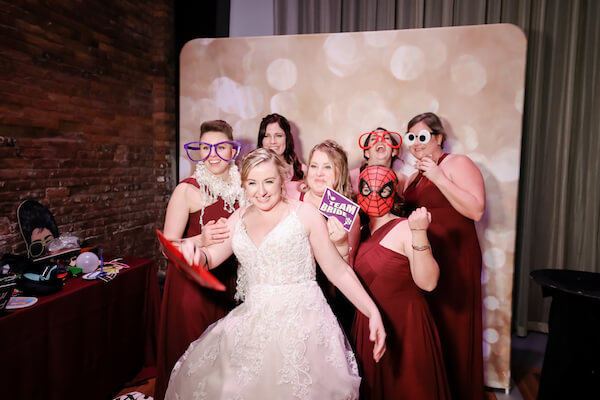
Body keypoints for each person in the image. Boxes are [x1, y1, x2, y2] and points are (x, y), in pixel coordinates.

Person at [165, 148, 386, 400]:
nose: (261, 191)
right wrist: (196, 254)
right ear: (244, 185)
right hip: (254, 318)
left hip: (303, 325)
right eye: (252, 183)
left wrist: (372, 312)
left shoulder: (305, 215)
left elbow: (338, 270)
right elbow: (211, 258)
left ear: (282, 180)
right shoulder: (238, 217)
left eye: (269, 181)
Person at [154, 120, 246, 400]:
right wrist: (201, 240)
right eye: (206, 147)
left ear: (232, 151)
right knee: (192, 360)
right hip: (191, 288)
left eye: (220, 148)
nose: (213, 154)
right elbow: (166, 248)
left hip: (228, 281)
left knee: (222, 363)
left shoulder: (243, 188)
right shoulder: (187, 190)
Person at [402, 112, 485, 400]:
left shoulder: (457, 163)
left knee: (455, 329)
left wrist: (438, 176)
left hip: (456, 257)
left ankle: (461, 392)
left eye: (422, 136)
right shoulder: (413, 177)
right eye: (411, 137)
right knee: (431, 330)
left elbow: (475, 210)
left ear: (438, 138)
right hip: (426, 260)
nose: (415, 143)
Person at [352, 165, 451, 400]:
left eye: (382, 190)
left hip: (406, 329)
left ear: (394, 192)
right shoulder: (359, 231)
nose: (374, 195)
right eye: (367, 189)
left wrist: (419, 233)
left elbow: (428, 283)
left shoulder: (406, 227)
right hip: (368, 327)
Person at [299, 140, 360, 335]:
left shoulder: (349, 214)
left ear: (339, 173)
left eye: (327, 167)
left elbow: (347, 268)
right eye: (314, 166)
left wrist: (341, 243)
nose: (318, 173)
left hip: (330, 296)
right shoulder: (292, 198)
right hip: (294, 290)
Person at [257, 113, 305, 199]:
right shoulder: (253, 172)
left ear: (287, 139)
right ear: (261, 141)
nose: (272, 141)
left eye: (278, 136)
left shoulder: (303, 171)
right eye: (267, 136)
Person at [349, 127, 406, 196]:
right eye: (373, 138)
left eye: (386, 138)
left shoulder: (401, 180)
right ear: (366, 153)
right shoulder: (351, 176)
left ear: (394, 151)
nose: (380, 140)